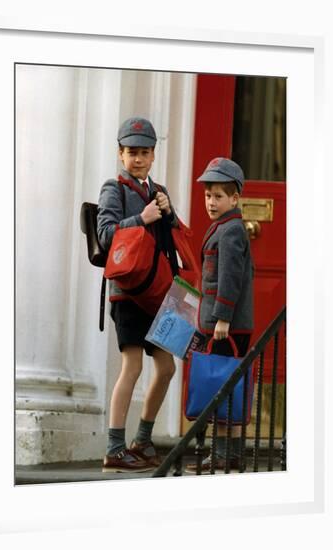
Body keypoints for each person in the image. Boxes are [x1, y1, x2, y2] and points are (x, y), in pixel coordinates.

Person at [97, 117, 178, 473]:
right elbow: (105, 234)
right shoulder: (113, 188)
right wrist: (142, 218)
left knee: (167, 366)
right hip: (128, 293)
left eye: (144, 152)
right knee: (133, 364)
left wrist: (170, 215)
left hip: (160, 292)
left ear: (154, 155)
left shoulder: (159, 190)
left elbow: (173, 241)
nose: (138, 159)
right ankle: (115, 448)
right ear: (120, 154)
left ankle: (142, 441)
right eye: (132, 152)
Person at [187, 157, 254, 471]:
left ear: (235, 198)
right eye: (207, 196)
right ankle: (228, 453)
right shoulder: (222, 227)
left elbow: (229, 277)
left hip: (227, 326)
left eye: (218, 196)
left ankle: (226, 454)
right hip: (219, 324)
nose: (211, 202)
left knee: (225, 386)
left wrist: (223, 317)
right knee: (224, 385)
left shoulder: (231, 231)